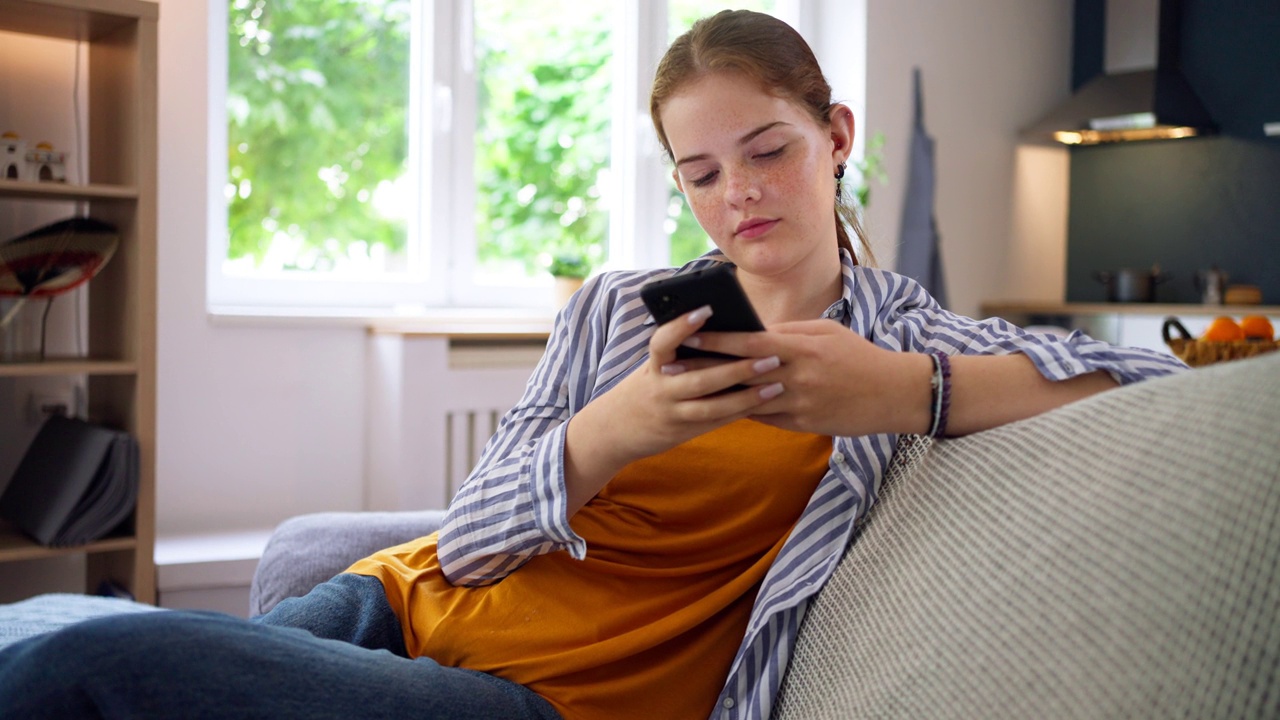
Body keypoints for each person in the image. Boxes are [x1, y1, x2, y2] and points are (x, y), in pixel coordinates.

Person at [0, 9, 1186, 720]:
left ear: (834, 138)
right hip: (399, 600)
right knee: (61, 663)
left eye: (766, 150)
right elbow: (466, 539)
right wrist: (618, 427)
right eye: (701, 172)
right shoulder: (619, 310)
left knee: (100, 658)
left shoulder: (898, 333)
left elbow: (1154, 388)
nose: (740, 196)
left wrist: (906, 394)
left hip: (542, 703)